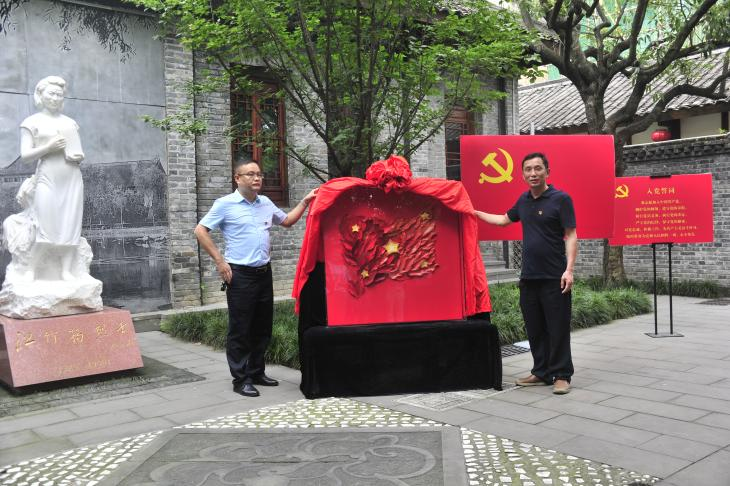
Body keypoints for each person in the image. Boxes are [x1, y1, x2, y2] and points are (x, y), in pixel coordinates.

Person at [194, 158, 317, 397]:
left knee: (262, 327)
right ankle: (241, 379)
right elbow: (200, 230)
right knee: (240, 328)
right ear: (237, 178)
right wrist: (219, 261)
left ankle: (257, 371)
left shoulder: (266, 203)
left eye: (259, 174)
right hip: (240, 275)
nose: (257, 178)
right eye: (250, 174)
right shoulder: (225, 204)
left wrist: (304, 201)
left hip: (263, 273)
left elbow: (287, 221)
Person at [475, 152, 577, 395]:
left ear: (547, 171)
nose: (533, 173)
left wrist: (569, 270)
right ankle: (541, 372)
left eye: (538, 168)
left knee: (557, 328)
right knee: (535, 328)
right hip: (529, 277)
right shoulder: (523, 200)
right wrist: (474, 213)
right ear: (522, 174)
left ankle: (561, 375)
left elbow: (571, 234)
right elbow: (502, 220)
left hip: (555, 277)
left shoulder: (561, 199)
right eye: (528, 169)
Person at [19, 76, 85, 280]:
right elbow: (25, 156)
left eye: (59, 95)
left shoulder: (70, 123)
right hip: (47, 176)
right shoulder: (31, 122)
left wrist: (77, 155)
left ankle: (66, 270)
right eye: (51, 94)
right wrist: (48, 147)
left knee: (70, 224)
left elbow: (76, 148)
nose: (56, 98)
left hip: (71, 176)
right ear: (41, 94)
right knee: (45, 225)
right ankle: (31, 269)